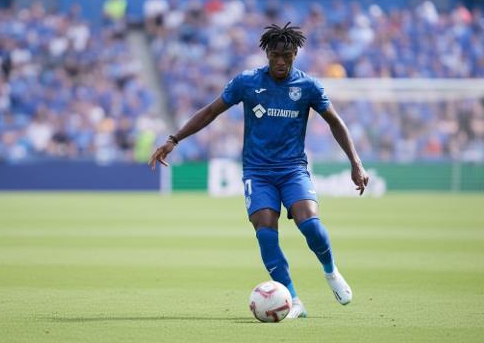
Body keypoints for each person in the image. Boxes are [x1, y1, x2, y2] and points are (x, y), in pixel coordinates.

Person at [149, 23, 369, 318]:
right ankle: (293, 300)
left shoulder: (308, 87)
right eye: (275, 55)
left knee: (311, 226)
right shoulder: (247, 82)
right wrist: (174, 139)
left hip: (292, 170)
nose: (281, 62)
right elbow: (210, 111)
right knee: (266, 234)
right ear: (267, 54)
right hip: (258, 172)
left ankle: (331, 272)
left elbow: (335, 122)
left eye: (287, 56)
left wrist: (355, 162)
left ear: (295, 55)